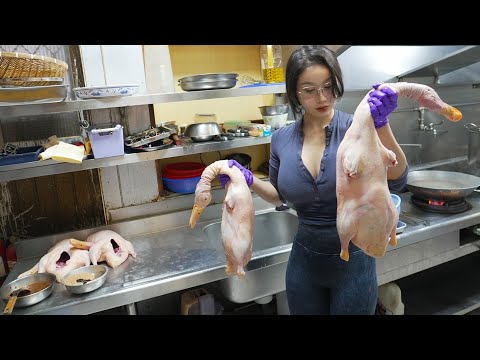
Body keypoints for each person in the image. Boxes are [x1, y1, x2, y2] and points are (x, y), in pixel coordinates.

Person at [219, 45, 408, 315]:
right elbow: (279, 195)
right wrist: (249, 180)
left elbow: (398, 178)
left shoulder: (356, 129)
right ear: (295, 94)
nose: (322, 97)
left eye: (329, 86)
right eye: (309, 90)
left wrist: (381, 125)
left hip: (353, 263)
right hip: (303, 264)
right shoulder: (281, 139)